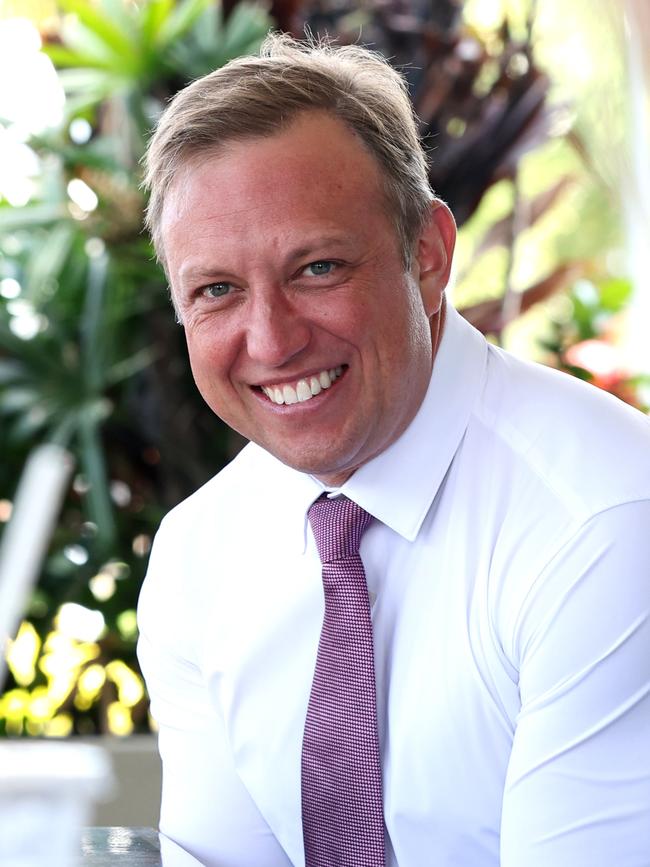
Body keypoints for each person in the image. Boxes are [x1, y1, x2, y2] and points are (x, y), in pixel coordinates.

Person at [136, 32, 650, 867]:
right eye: (217, 290)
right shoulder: (200, 554)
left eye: (318, 267)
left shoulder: (605, 522)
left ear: (429, 256)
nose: (269, 340)